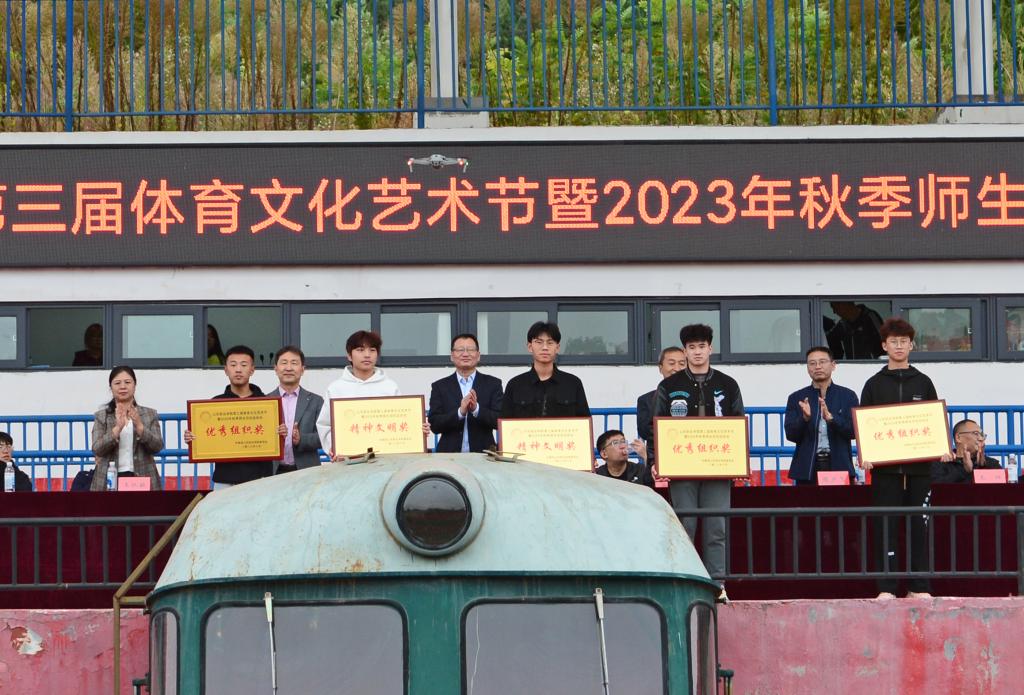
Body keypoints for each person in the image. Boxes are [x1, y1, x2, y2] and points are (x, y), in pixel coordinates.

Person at [859, 317, 952, 599]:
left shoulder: (924, 382)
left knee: (919, 527)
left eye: (904, 341)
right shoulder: (873, 384)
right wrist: (866, 454)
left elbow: (933, 422)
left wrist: (942, 447)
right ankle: (886, 587)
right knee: (884, 527)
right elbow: (865, 425)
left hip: (919, 470)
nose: (898, 346)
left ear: (911, 346)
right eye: (893, 342)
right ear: (884, 346)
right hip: (885, 472)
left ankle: (918, 586)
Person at [654, 324, 742, 601]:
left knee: (717, 527)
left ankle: (717, 584)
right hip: (682, 469)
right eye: (691, 347)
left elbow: (738, 422)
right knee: (685, 526)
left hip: (718, 467)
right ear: (685, 351)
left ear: (710, 349)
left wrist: (739, 461)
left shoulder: (727, 384)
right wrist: (657, 460)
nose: (697, 352)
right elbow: (657, 425)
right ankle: (685, 581)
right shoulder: (669, 386)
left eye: (702, 346)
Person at [185, 345, 273, 488]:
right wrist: (193, 439)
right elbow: (207, 440)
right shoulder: (215, 404)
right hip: (224, 479)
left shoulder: (267, 404)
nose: (238, 369)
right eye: (233, 365)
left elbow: (273, 438)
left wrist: (280, 433)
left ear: (252, 369)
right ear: (226, 370)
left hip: (259, 479)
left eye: (243, 365)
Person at [316, 330, 402, 459]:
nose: (367, 355)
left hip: (385, 460)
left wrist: (417, 429)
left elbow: (402, 421)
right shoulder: (336, 388)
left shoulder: (390, 387)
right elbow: (325, 425)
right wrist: (334, 448)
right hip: (348, 461)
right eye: (360, 350)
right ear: (349, 356)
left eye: (372, 350)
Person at [783, 346, 859, 485]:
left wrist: (832, 419)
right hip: (807, 468)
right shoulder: (796, 397)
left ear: (833, 365)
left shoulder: (848, 396)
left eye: (822, 362)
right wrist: (804, 419)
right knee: (808, 500)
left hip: (839, 465)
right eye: (812, 363)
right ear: (807, 368)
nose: (817, 367)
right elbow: (791, 435)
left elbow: (854, 432)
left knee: (838, 500)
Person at [89, 366, 164, 491]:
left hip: (142, 477)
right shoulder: (102, 416)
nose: (123, 387)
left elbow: (157, 446)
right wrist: (117, 428)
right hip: (109, 479)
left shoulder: (149, 414)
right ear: (111, 387)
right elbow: (97, 448)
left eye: (127, 382)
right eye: (117, 383)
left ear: (135, 385)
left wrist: (140, 427)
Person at [428, 334, 503, 453]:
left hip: (484, 455)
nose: (465, 354)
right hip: (449, 456)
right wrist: (460, 412)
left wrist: (476, 409)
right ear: (452, 356)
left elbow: (500, 420)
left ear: (478, 355)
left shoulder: (493, 384)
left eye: (470, 350)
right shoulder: (440, 386)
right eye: (460, 350)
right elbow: (435, 425)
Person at [500, 321, 590, 419]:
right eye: (539, 342)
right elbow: (505, 423)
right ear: (530, 347)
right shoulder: (515, 385)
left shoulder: (573, 383)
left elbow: (584, 422)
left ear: (557, 347)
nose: (545, 347)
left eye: (550, 342)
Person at [267, 346, 325, 474]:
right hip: (272, 472)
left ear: (302, 369)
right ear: (276, 369)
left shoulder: (316, 401)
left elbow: (325, 436)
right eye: (284, 363)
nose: (288, 368)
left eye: (294, 363)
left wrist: (301, 439)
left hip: (306, 471)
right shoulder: (265, 402)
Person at [636, 347, 685, 467]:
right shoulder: (646, 400)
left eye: (682, 364)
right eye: (671, 363)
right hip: (660, 457)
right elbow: (644, 431)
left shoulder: (698, 396)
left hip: (689, 454)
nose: (677, 368)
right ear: (660, 368)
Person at [931, 419, 1003, 484]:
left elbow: (1000, 489)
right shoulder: (944, 463)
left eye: (982, 435)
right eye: (975, 433)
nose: (981, 438)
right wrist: (964, 470)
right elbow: (938, 488)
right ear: (958, 438)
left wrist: (982, 466)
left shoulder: (992, 463)